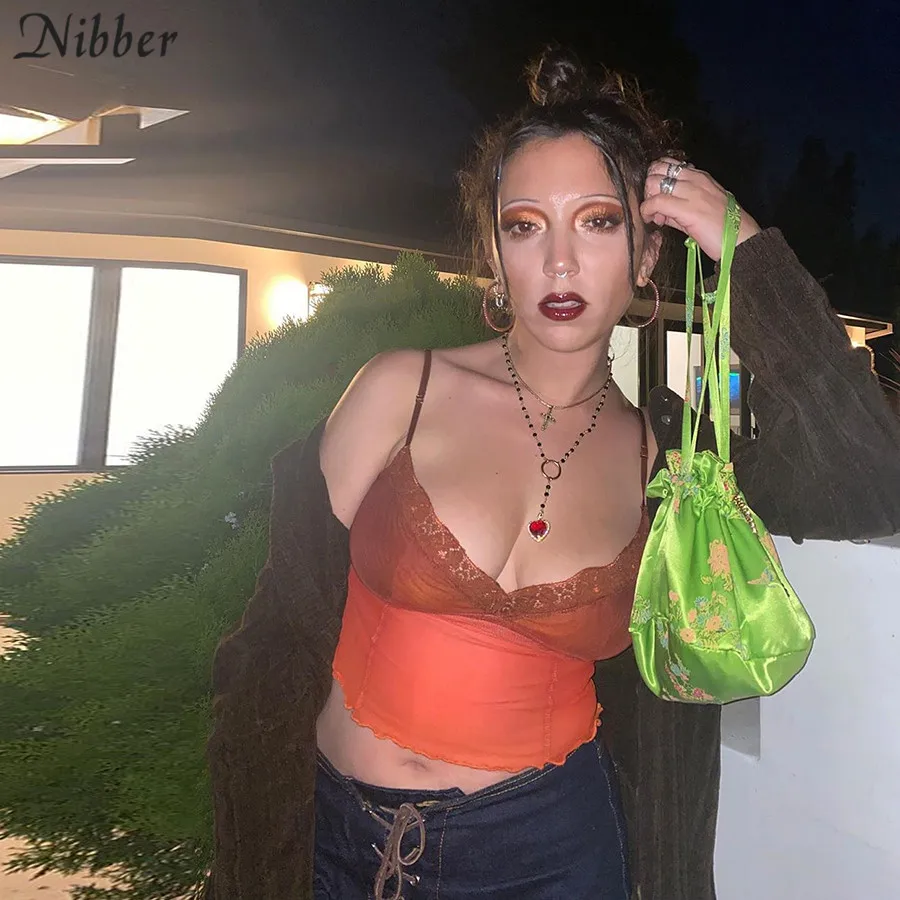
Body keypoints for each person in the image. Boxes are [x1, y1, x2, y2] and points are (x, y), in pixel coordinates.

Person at [203, 48, 900, 900]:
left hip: (548, 854)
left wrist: (745, 250)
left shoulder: (666, 468)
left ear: (648, 254)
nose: (560, 263)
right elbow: (277, 638)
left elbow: (865, 477)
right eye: (525, 226)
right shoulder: (401, 391)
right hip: (336, 842)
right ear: (496, 254)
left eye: (598, 222)